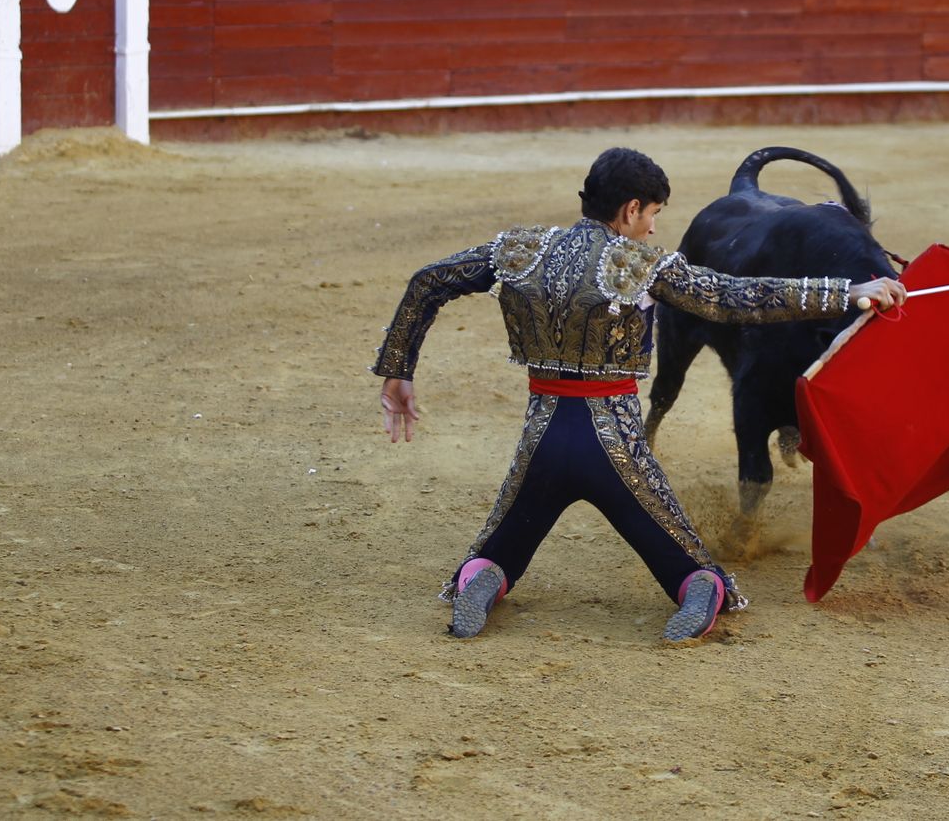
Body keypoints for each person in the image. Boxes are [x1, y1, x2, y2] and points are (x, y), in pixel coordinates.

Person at [372, 148, 907, 641]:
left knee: (498, 546)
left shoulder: (521, 250)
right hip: (615, 448)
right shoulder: (640, 267)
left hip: (543, 438)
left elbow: (428, 282)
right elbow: (734, 297)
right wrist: (846, 291)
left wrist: (400, 369)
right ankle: (697, 592)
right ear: (630, 210)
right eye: (652, 215)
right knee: (693, 569)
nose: (652, 229)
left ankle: (481, 580)